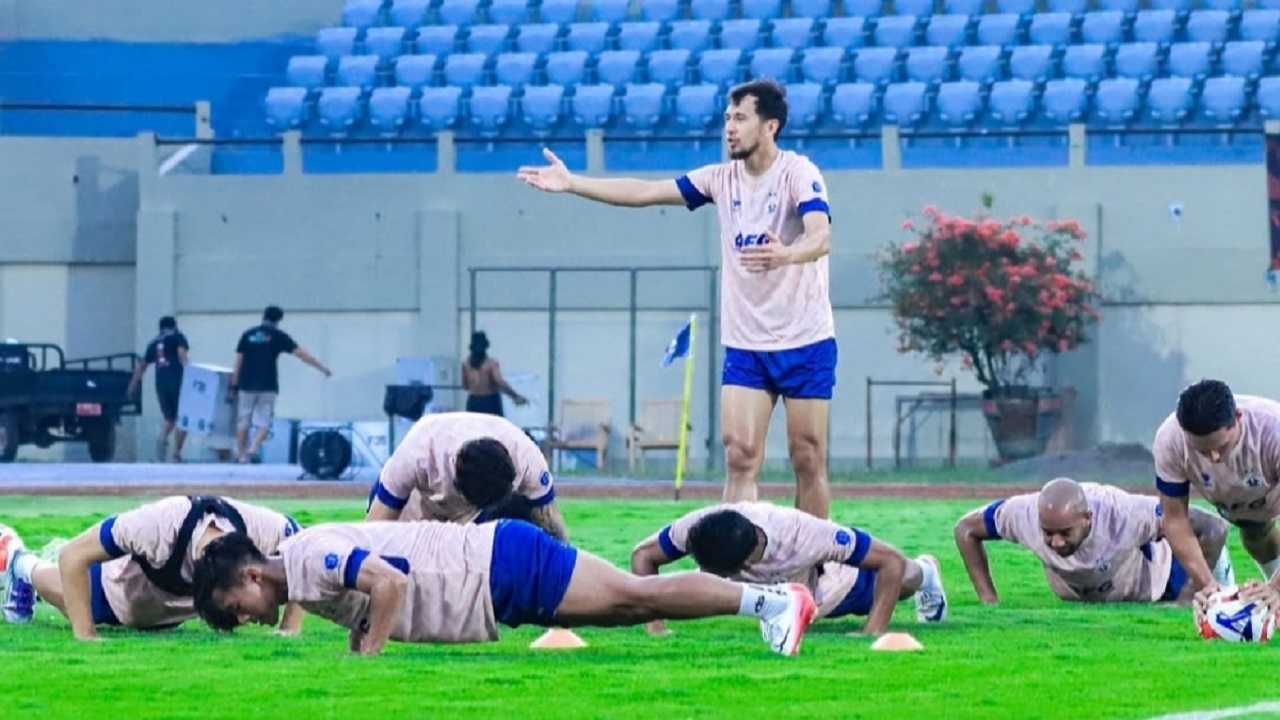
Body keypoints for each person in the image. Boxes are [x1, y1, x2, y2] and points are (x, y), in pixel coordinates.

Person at [517, 79, 836, 519]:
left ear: (770, 126)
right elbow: (646, 192)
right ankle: (736, 574)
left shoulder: (799, 173)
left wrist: (787, 254)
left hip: (805, 339)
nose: (729, 127)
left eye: (740, 118)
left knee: (807, 458)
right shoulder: (720, 179)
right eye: (727, 118)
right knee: (740, 456)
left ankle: (813, 567)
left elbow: (821, 237)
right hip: (747, 344)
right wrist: (573, 183)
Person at [191, 519, 818, 657]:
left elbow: (387, 584)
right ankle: (769, 605)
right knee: (631, 608)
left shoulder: (308, 554)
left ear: (248, 576)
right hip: (495, 578)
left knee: (640, 595)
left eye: (233, 608)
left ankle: (774, 602)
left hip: (498, 565)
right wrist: (362, 637)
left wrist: (368, 659)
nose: (244, 618)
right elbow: (374, 594)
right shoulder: (301, 572)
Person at [1, 495, 306, 638]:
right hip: (114, 593)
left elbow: (301, 556)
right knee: (69, 594)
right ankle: (21, 563)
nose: (242, 619)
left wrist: (289, 629)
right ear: (249, 577)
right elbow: (72, 557)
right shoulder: (159, 526)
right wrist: (86, 637)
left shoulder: (262, 530)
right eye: (237, 607)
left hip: (167, 612)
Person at [630, 502, 946, 637]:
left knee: (901, 579)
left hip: (836, 585)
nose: (702, 571)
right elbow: (643, 556)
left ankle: (927, 571)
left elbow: (888, 559)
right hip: (782, 592)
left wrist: (872, 631)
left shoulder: (803, 534)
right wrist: (656, 629)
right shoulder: (699, 526)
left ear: (748, 563)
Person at [954, 478, 1233, 605]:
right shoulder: (1022, 514)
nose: (1057, 543)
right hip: (1086, 593)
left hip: (1164, 579)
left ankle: (1219, 569)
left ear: (1087, 518)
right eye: (1047, 533)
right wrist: (988, 599)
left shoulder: (1124, 512)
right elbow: (965, 529)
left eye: (1065, 532)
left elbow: (1214, 527)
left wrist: (1186, 599)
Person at [1153, 380, 1280, 615]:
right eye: (1201, 450)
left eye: (1221, 446)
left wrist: (1276, 588)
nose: (1213, 457)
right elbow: (1175, 519)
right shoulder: (1170, 440)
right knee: (1255, 534)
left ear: (1238, 418)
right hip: (1245, 510)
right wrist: (1207, 585)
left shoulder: (1273, 431)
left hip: (1269, 491)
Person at [365, 412, 569, 542]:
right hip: (417, 502)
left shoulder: (527, 459)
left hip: (482, 515)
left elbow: (552, 526)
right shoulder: (418, 452)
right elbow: (373, 532)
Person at [229, 305, 331, 464]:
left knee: (243, 420)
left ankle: (242, 455)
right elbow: (301, 354)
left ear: (263, 317)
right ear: (278, 320)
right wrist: (321, 368)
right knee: (265, 420)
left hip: (246, 383)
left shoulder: (247, 335)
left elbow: (238, 361)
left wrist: (234, 385)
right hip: (268, 384)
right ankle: (253, 448)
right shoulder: (278, 336)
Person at [127, 315, 190, 462]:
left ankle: (161, 442)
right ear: (174, 326)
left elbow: (142, 366)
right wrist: (191, 375)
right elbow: (182, 355)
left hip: (161, 384)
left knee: (169, 417)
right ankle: (176, 453)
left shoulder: (154, 342)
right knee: (183, 417)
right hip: (178, 381)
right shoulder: (178, 337)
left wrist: (132, 385)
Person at [461, 331, 527, 417]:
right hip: (489, 401)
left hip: (473, 402)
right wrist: (514, 395)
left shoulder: (465, 365)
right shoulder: (491, 364)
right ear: (486, 347)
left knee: (474, 428)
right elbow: (499, 381)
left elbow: (465, 386)